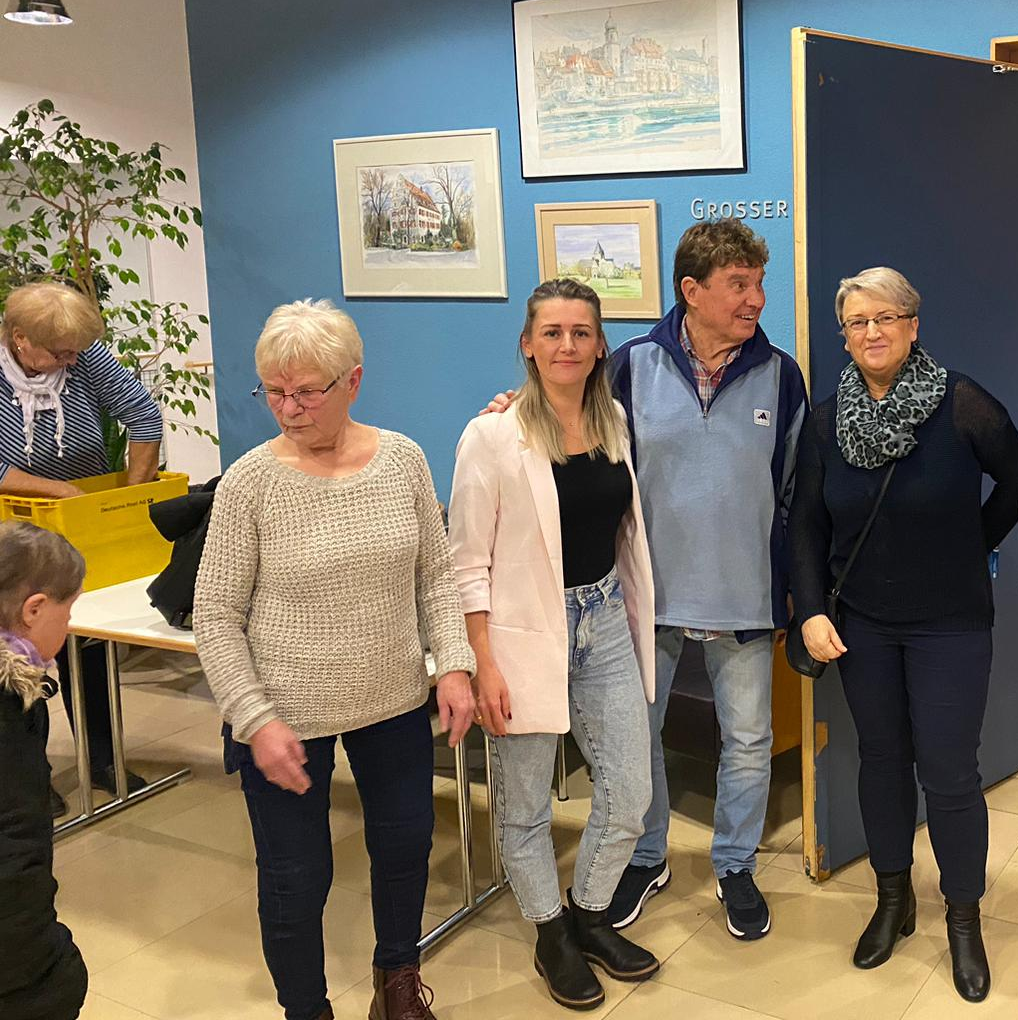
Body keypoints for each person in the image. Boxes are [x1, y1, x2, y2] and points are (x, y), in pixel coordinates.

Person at [491, 220, 808, 937]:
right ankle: (647, 855)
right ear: (691, 290)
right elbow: (568, 423)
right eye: (739, 284)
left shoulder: (781, 374)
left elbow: (796, 488)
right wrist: (510, 410)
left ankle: (736, 866)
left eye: (759, 283)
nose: (756, 298)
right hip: (645, 597)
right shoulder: (631, 366)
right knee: (642, 741)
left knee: (749, 741)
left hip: (746, 596)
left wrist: (791, 583)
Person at [194, 300, 476, 1020]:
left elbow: (434, 577)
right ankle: (306, 1009)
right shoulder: (249, 483)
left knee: (406, 846)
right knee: (296, 877)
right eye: (274, 392)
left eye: (306, 393)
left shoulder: (403, 459)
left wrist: (453, 663)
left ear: (353, 381)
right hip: (284, 715)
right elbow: (216, 616)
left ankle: (397, 984)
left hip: (393, 699)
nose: (288, 410)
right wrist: (255, 720)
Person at [789, 267, 1018, 1002]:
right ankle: (893, 900)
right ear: (845, 336)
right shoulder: (826, 421)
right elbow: (804, 523)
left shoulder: (962, 405)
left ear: (913, 325)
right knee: (882, 762)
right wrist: (810, 608)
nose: (873, 332)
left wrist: (973, 544)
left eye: (886, 317)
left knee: (950, 773)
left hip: (950, 623)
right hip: (862, 625)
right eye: (858, 322)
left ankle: (963, 918)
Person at [450, 280, 659, 1010]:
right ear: (528, 345)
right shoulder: (491, 436)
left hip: (603, 619)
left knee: (630, 791)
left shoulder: (613, 421)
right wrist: (482, 660)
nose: (567, 345)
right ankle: (550, 934)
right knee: (525, 804)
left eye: (581, 332)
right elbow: (466, 560)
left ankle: (590, 914)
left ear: (600, 345)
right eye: (552, 332)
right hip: (521, 635)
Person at [0, 281, 164, 815]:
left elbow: (144, 417)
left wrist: (132, 498)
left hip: (79, 522)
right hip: (11, 528)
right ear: (20, 339)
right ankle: (28, 778)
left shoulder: (84, 356)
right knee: (17, 654)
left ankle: (102, 759)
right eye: (59, 353)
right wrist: (58, 490)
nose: (71, 361)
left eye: (76, 351)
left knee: (84, 641)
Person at [0, 521, 89, 1020]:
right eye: (67, 611)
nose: (69, 626)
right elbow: (14, 850)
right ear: (34, 609)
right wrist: (51, 971)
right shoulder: (7, 709)